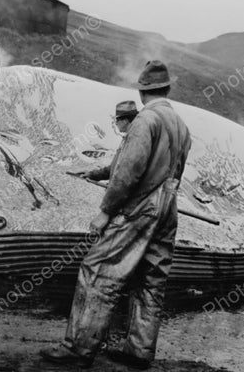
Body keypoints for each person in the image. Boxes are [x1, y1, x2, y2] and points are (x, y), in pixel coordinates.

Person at [40, 60, 192, 370]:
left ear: (141, 90)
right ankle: (139, 350)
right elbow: (171, 171)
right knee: (150, 280)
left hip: (139, 209)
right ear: (167, 88)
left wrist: (106, 212)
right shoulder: (181, 126)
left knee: (97, 270)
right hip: (168, 209)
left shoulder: (145, 121)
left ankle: (78, 348)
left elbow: (128, 173)